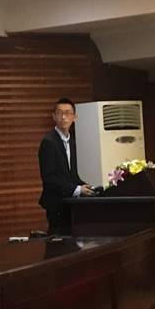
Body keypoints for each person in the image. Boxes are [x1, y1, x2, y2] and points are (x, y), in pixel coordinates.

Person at [38, 97, 94, 234]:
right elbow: (49, 178)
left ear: (75, 117)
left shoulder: (73, 141)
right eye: (59, 113)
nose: (63, 117)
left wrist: (84, 186)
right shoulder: (49, 142)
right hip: (56, 204)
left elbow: (70, 175)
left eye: (68, 113)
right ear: (54, 117)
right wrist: (77, 189)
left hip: (70, 203)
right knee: (59, 242)